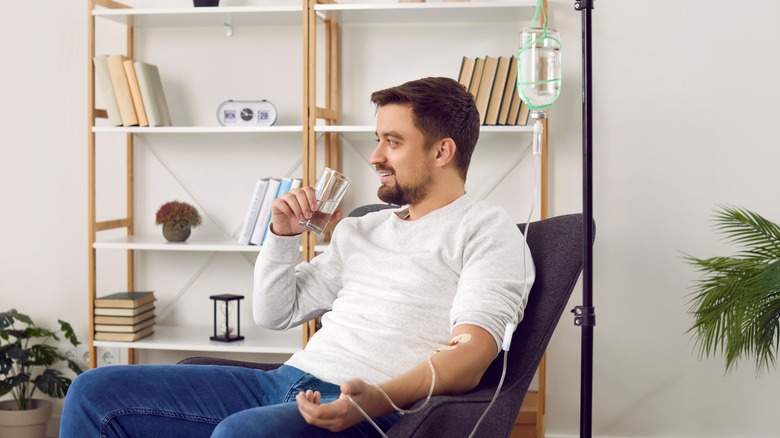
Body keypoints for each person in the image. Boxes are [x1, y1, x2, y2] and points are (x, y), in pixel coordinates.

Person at [60, 77, 534, 438]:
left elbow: (470, 357)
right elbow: (274, 312)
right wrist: (282, 237)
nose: (374, 157)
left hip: (373, 405)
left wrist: (377, 396)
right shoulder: (361, 228)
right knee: (93, 392)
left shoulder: (487, 231)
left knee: (238, 435)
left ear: (442, 151)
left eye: (392, 141)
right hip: (286, 381)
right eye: (377, 140)